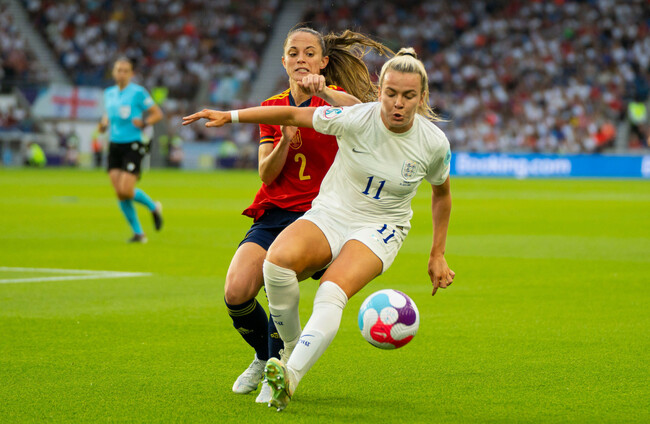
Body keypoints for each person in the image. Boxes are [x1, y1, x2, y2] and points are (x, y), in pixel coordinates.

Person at [182, 48, 455, 411]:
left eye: (408, 96)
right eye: (391, 93)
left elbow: (441, 194)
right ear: (380, 92)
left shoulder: (433, 143)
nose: (398, 104)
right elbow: (292, 114)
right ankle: (291, 349)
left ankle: (289, 376)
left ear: (422, 98)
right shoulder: (356, 118)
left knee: (331, 291)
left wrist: (437, 253)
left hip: (380, 227)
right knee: (276, 263)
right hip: (332, 211)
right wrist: (229, 116)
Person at [216, 27, 391, 404]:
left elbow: (362, 113)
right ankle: (264, 357)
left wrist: (324, 92)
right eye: (293, 53)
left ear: (323, 62)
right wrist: (284, 138)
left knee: (279, 279)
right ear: (283, 61)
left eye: (309, 53)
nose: (301, 59)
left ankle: (280, 365)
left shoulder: (335, 102)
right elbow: (266, 174)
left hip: (323, 217)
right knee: (236, 292)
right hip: (275, 213)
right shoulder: (272, 107)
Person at [99, 57, 164, 243]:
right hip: (114, 145)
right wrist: (103, 125)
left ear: (131, 73)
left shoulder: (138, 92)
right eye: (118, 70)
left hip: (133, 145)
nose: (122, 74)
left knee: (126, 190)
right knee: (119, 192)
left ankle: (153, 207)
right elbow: (107, 116)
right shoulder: (109, 93)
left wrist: (144, 123)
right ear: (114, 73)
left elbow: (157, 114)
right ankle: (138, 233)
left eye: (125, 70)